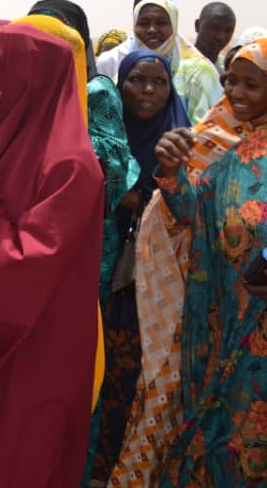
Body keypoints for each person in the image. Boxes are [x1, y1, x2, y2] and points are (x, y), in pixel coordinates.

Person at [0, 22, 104, 488]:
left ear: (22, 87)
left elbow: (21, 269)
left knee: (23, 460)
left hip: (37, 353)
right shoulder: (6, 147)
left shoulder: (71, 167)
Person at [110, 36, 267, 487]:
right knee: (219, 427)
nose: (235, 93)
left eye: (250, 84)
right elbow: (191, 215)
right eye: (230, 81)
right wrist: (173, 174)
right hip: (218, 315)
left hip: (259, 320)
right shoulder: (221, 143)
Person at [24, 0, 140, 485]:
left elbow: (107, 177)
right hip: (35, 251)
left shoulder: (97, 93)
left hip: (86, 252)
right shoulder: (33, 90)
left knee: (77, 367)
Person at [86, 50, 190, 483]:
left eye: (159, 82)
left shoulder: (184, 140)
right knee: (100, 374)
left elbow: (191, 207)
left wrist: (159, 185)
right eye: (137, 80)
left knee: (141, 377)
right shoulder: (100, 140)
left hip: (158, 286)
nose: (148, 90)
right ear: (120, 84)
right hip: (102, 280)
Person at [97, 0, 222, 123]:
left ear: (174, 26)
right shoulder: (120, 64)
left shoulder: (199, 72)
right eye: (144, 23)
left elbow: (211, 130)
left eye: (161, 23)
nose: (152, 29)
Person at [193, 1, 237, 71]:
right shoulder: (176, 64)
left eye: (228, 31)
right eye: (214, 28)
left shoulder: (228, 70)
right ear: (197, 25)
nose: (220, 37)